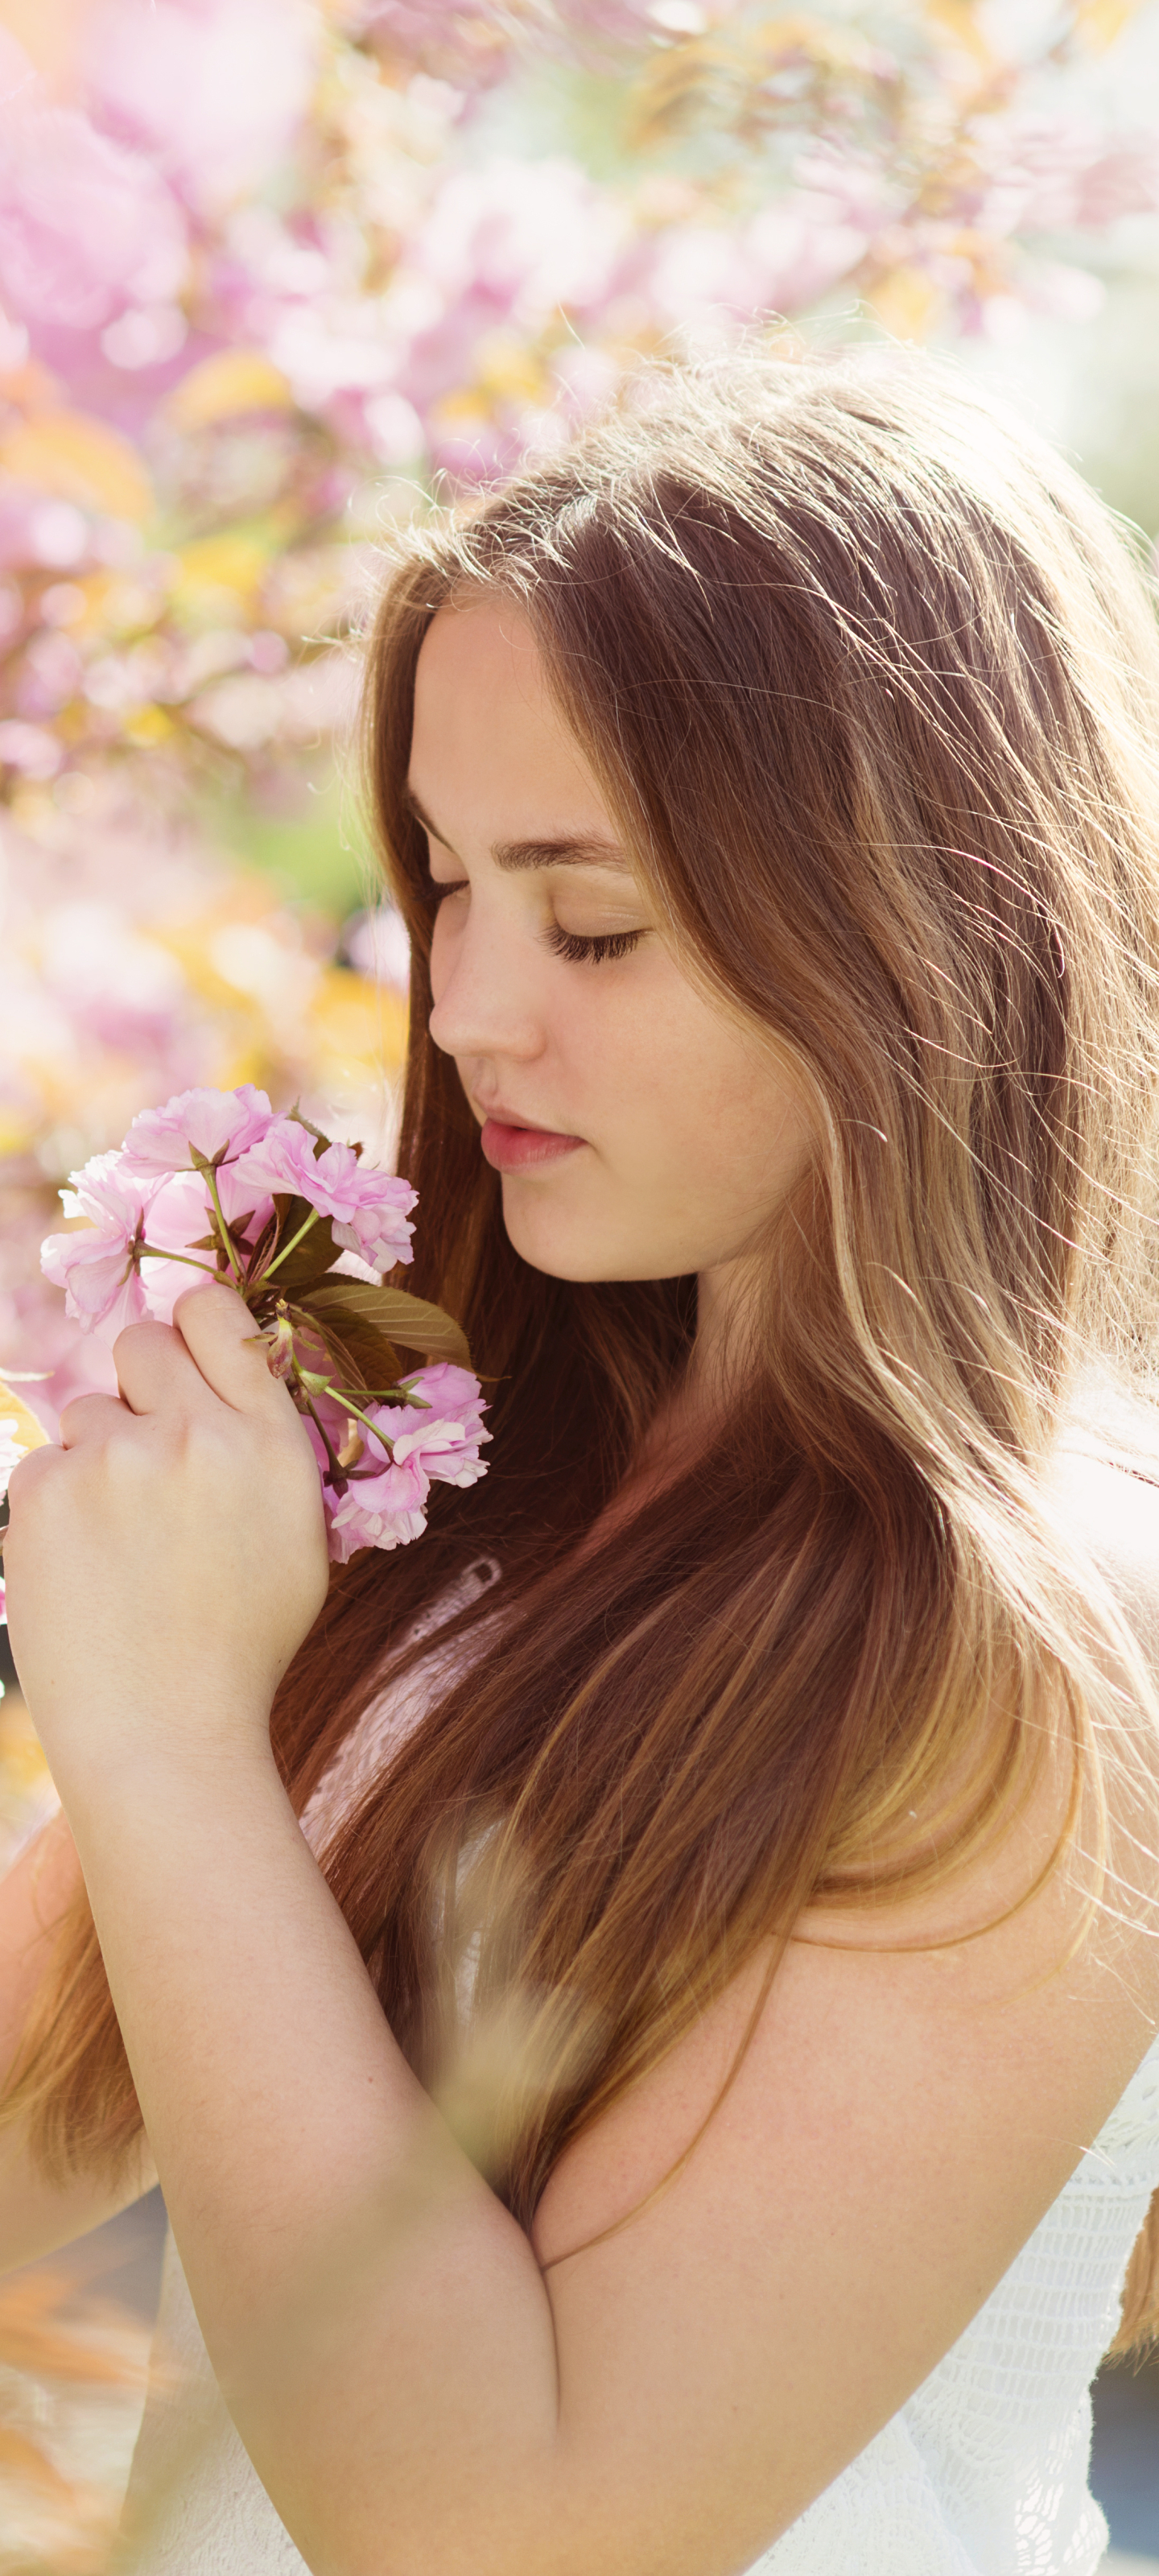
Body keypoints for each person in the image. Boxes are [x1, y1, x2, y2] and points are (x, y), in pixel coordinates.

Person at [2, 347, 1159, 2576]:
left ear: (921, 918)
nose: (464, 1004)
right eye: (444, 880)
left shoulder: (1049, 1645)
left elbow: (510, 2539)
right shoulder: (464, 1496)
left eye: (589, 918)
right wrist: (150, 1628)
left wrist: (164, 1744)